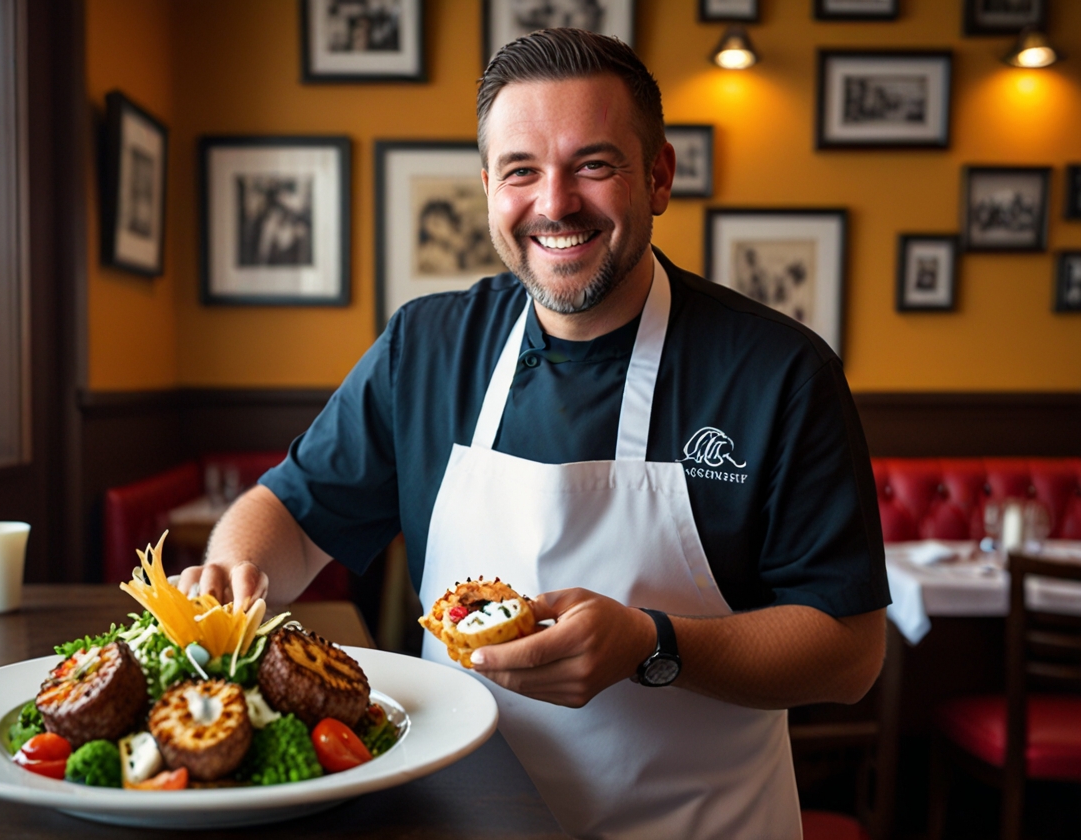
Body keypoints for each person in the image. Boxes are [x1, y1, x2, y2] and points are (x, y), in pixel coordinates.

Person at [179, 29, 888, 839]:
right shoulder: (426, 349)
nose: (555, 203)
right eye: (521, 170)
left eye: (594, 164)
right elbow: (291, 516)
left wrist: (655, 645)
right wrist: (231, 575)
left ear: (658, 177)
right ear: (488, 187)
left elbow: (849, 651)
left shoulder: (779, 372)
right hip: (456, 820)